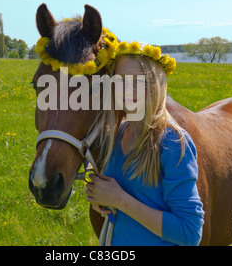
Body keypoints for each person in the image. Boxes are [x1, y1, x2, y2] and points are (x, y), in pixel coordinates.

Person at [85, 54, 205, 246]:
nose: (127, 90)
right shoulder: (117, 136)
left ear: (155, 85)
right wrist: (100, 196)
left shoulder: (172, 142)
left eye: (138, 81)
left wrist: (119, 199)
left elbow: (189, 232)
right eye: (121, 80)